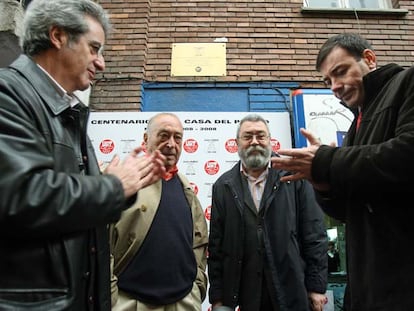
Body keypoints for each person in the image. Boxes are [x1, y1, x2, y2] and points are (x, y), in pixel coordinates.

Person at [0, 0, 166, 310]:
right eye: (94, 48)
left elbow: (70, 207)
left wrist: (121, 185)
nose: (101, 63)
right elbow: (21, 197)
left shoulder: (68, 112)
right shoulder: (7, 96)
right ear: (58, 36)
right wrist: (114, 187)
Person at [271, 32, 414, 310]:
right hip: (369, 284)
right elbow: (348, 211)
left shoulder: (407, 82)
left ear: (369, 59)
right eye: (328, 81)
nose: (335, 86)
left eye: (340, 72)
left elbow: (407, 154)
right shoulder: (356, 124)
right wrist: (321, 182)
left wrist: (326, 161)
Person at [208, 114, 328, 311]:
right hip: (246, 296)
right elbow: (216, 247)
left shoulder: (294, 175)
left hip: (291, 290)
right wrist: (218, 296)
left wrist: (316, 287)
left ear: (270, 141)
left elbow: (314, 234)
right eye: (247, 137)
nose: (254, 141)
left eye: (260, 136)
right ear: (237, 143)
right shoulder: (223, 186)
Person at [110, 112, 209, 311]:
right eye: (164, 135)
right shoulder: (121, 182)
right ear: (146, 139)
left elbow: (198, 244)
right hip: (131, 302)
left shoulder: (186, 188)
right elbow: (100, 243)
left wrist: (197, 286)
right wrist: (110, 297)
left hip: (183, 303)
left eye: (177, 137)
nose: (171, 144)